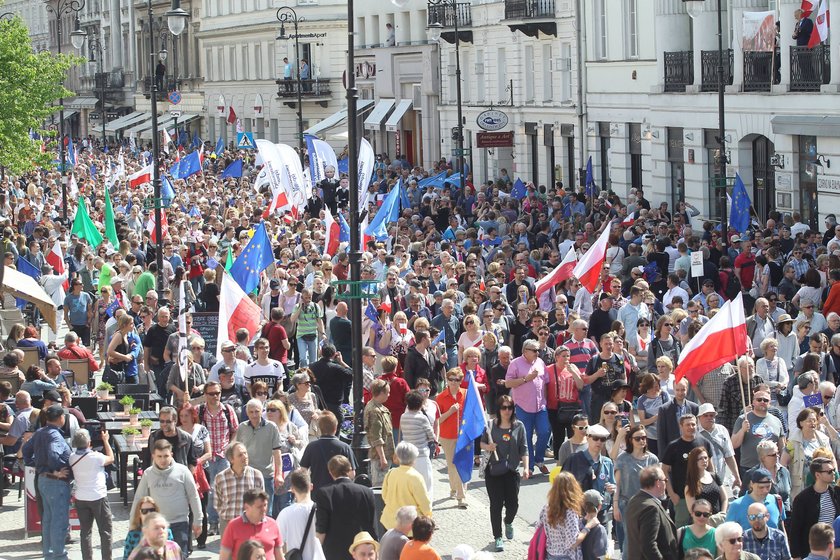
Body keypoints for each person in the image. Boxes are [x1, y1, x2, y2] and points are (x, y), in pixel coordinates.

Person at [130, 439, 203, 554]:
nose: (163, 460)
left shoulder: (183, 471)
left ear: (171, 455)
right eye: (159, 456)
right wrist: (132, 523)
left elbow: (193, 496)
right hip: (157, 525)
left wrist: (198, 520)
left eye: (166, 456)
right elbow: (139, 498)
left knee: (179, 555)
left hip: (180, 523)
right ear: (153, 456)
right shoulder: (148, 474)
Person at [22, 404, 73, 560]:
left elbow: (25, 450)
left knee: (48, 520)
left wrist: (38, 466)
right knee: (58, 521)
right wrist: (54, 472)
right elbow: (53, 454)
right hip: (55, 483)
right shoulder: (55, 436)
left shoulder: (40, 432)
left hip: (43, 480)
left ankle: (49, 555)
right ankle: (59, 556)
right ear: (60, 418)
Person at [480, 394, 529, 551]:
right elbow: (481, 442)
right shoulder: (490, 425)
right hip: (493, 470)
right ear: (499, 409)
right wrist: (488, 447)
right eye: (504, 407)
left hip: (511, 470)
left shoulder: (519, 426)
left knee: (513, 504)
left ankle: (508, 521)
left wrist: (526, 467)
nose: (507, 411)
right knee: (496, 505)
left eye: (510, 407)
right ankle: (498, 537)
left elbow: (524, 448)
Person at [313, 455, 376, 560]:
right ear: (349, 469)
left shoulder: (324, 493)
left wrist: (315, 552)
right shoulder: (367, 492)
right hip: (361, 550)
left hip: (334, 552)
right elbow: (372, 526)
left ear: (330, 472)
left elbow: (321, 527)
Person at [504, 338, 551, 474]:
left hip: (540, 405)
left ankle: (539, 459)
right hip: (523, 406)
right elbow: (508, 383)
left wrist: (545, 401)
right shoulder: (515, 363)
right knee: (527, 436)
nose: (537, 352)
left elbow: (545, 383)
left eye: (538, 350)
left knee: (545, 432)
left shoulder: (540, 362)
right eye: (534, 350)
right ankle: (529, 466)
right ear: (525, 351)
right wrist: (525, 379)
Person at [562, 423, 616, 534]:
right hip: (579, 512)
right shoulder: (574, 460)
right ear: (587, 438)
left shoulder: (608, 462)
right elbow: (562, 486)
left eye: (602, 439)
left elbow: (613, 485)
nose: (599, 442)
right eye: (595, 438)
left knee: (601, 547)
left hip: (601, 513)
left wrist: (612, 488)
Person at [614, 424, 660, 555]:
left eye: (644, 438)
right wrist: (615, 505)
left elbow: (657, 484)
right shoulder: (623, 459)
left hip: (648, 505)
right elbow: (617, 484)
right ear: (630, 440)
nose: (642, 441)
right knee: (630, 541)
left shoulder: (652, 459)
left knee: (648, 540)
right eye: (638, 438)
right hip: (627, 504)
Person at [70, 428, 114, 560]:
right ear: (89, 442)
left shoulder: (72, 458)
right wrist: (105, 441)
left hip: (81, 498)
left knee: (85, 532)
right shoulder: (96, 457)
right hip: (98, 496)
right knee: (105, 531)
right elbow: (111, 458)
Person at [535, 471, 599, 560]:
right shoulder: (570, 512)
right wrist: (588, 526)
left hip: (550, 554)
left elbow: (538, 528)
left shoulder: (546, 508)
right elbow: (573, 543)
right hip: (567, 556)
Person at [732, 387, 785, 485]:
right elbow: (734, 445)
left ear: (770, 403)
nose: (762, 402)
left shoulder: (776, 421)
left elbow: (782, 446)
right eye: (759, 399)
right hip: (749, 468)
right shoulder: (743, 418)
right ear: (753, 402)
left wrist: (782, 466)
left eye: (766, 400)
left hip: (771, 468)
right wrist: (743, 430)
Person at [789, 456, 840, 558]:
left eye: (834, 470)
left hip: (833, 549)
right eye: (829, 471)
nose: (833, 473)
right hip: (811, 551)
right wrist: (796, 556)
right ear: (817, 475)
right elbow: (795, 530)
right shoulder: (802, 499)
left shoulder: (837, 493)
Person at [624, 466, 678, 560]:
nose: (666, 483)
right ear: (658, 483)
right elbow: (648, 545)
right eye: (665, 480)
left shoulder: (635, 500)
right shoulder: (651, 508)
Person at [214, 442, 265, 536]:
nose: (245, 456)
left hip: (250, 525)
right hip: (228, 525)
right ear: (231, 459)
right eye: (240, 455)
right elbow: (217, 503)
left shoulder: (256, 475)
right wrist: (226, 517)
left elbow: (262, 502)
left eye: (245, 453)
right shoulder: (221, 478)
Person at [783, 407, 834, 500]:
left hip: (823, 486)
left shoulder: (824, 439)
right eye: (809, 421)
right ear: (801, 423)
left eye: (814, 420)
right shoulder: (793, 442)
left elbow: (832, 460)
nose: (812, 423)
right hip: (802, 487)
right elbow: (783, 464)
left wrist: (834, 477)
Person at [219, 488, 283, 560]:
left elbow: (279, 556)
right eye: (259, 507)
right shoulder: (233, 526)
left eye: (265, 505)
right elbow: (224, 556)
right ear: (246, 507)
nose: (264, 509)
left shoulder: (273, 524)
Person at [380, 442, 431, 531]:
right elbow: (423, 501)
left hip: (389, 521)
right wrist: (428, 515)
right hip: (410, 525)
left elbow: (384, 495)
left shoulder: (391, 473)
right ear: (414, 459)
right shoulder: (415, 477)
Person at [299, 411, 357, 490]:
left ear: (319, 428)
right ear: (335, 428)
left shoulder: (311, 447)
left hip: (318, 491)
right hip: (340, 492)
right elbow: (352, 474)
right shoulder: (345, 447)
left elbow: (303, 470)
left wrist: (308, 484)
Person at [277, 468, 326, 560]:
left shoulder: (284, 514)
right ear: (311, 486)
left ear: (292, 489)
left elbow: (280, 546)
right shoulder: (322, 511)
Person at [436, 366, 468, 506]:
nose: (454, 382)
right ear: (447, 380)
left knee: (461, 464)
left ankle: (461, 496)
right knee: (451, 465)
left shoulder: (466, 394)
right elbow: (437, 420)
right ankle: (454, 488)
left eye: (457, 380)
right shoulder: (440, 397)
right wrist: (450, 411)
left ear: (461, 381)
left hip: (463, 435)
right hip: (447, 435)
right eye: (451, 379)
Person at [399, 390, 436, 497]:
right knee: (426, 485)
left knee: (410, 486)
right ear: (420, 404)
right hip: (421, 456)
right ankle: (425, 510)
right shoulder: (422, 418)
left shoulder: (403, 417)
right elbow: (431, 436)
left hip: (407, 456)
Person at [726, 468, 786, 532]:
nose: (765, 490)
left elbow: (781, 527)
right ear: (751, 484)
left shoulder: (776, 501)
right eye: (761, 487)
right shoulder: (736, 505)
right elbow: (727, 532)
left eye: (768, 487)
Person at [364, 378, 396, 487]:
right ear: (381, 392)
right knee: (380, 487)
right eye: (387, 392)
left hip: (386, 454)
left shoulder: (381, 408)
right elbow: (376, 437)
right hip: (379, 457)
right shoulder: (374, 410)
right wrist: (382, 458)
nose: (389, 395)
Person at [684, 447, 728, 519]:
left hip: (719, 519)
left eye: (705, 458)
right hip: (702, 521)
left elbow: (724, 498)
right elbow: (692, 510)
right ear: (694, 461)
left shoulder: (714, 476)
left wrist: (722, 513)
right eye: (700, 458)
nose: (704, 461)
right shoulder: (690, 484)